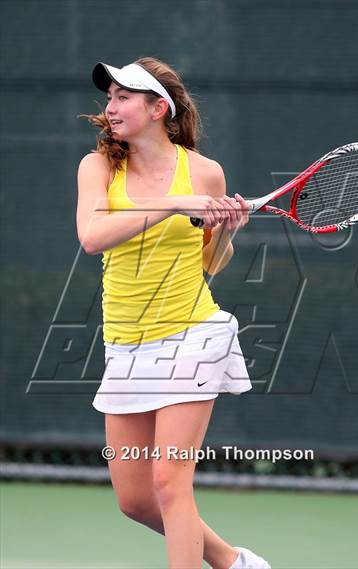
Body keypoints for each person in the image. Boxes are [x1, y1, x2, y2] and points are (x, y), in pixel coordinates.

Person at [77, 57, 271, 569]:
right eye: (110, 97)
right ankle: (235, 563)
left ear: (158, 108)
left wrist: (227, 227)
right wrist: (170, 203)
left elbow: (211, 262)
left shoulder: (205, 173)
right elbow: (93, 237)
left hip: (193, 334)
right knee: (135, 500)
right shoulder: (98, 167)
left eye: (123, 98)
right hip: (124, 341)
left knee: (169, 481)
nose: (111, 107)